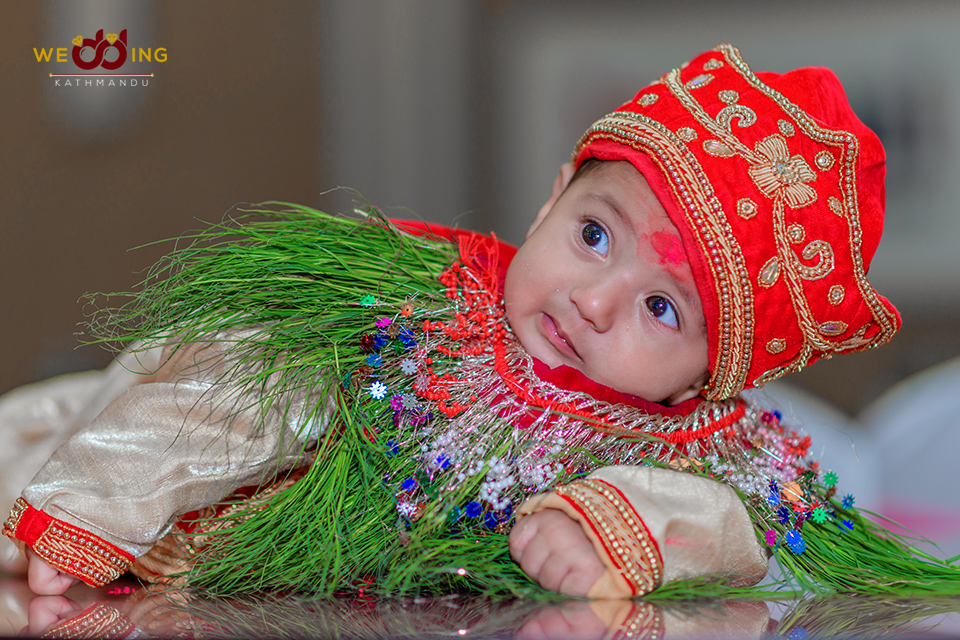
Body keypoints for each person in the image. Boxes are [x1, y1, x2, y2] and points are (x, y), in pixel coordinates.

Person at [4, 43, 956, 601]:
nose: (595, 299)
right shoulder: (412, 325)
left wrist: (621, 529)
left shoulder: (697, 446)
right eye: (593, 234)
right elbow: (227, 387)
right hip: (150, 475)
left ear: (708, 379)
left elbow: (735, 532)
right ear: (547, 204)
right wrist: (93, 511)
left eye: (663, 308)